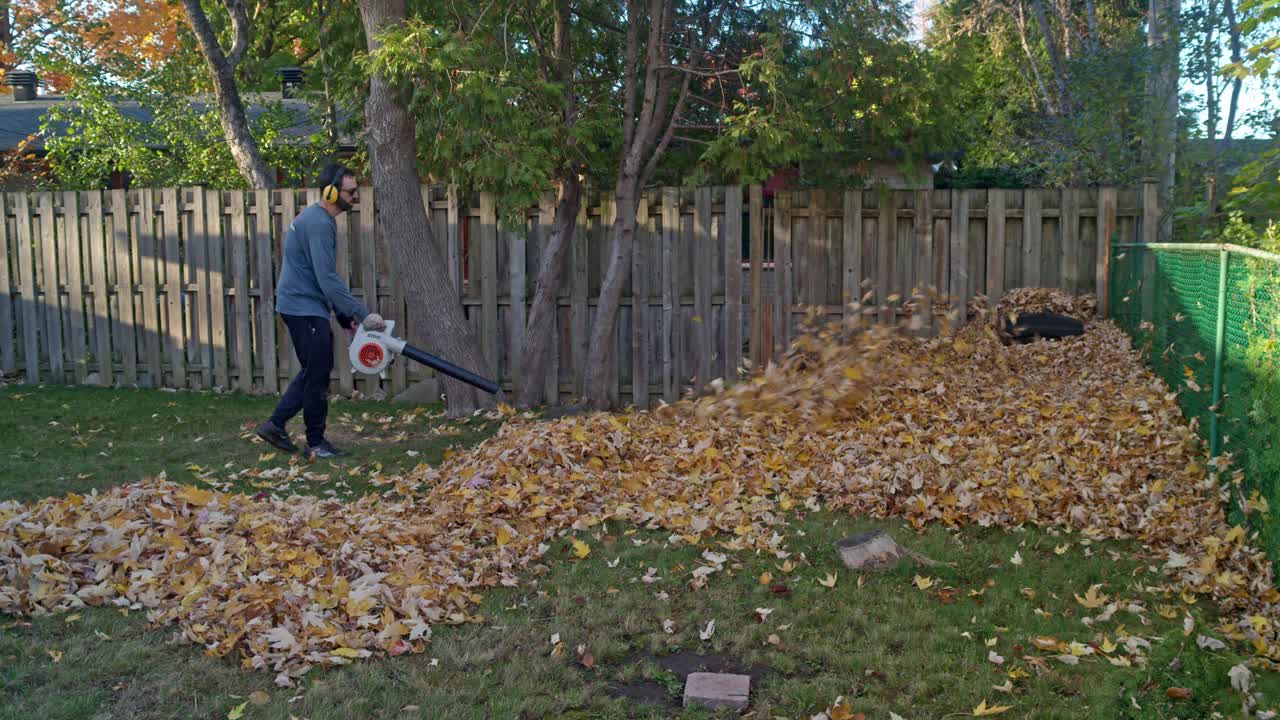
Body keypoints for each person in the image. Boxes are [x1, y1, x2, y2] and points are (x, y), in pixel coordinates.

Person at [255, 163, 385, 458]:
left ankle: (276, 426)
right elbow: (326, 279)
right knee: (317, 374)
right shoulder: (319, 224)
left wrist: (342, 317)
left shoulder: (319, 219)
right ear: (331, 192)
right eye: (351, 192)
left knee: (314, 372)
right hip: (302, 307)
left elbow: (318, 275)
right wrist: (363, 314)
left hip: (304, 304)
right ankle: (312, 441)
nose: (355, 197)